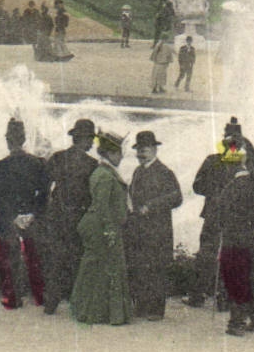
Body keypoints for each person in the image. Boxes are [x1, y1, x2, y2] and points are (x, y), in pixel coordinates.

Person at [187, 118, 252, 310]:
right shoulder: (218, 161)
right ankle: (206, 295)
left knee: (221, 254)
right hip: (221, 215)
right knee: (212, 254)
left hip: (226, 217)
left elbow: (251, 191)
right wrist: (215, 191)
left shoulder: (236, 164)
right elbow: (197, 185)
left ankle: (213, 296)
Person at [70, 132, 130, 325]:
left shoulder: (104, 171)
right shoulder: (104, 175)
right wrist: (109, 230)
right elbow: (101, 205)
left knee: (95, 267)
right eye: (119, 153)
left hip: (97, 224)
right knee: (103, 267)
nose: (121, 157)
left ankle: (89, 310)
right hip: (100, 226)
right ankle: (95, 312)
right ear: (110, 154)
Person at [41, 118, 99, 315]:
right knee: (77, 260)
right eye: (91, 139)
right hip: (79, 217)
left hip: (57, 215)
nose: (92, 143)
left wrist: (50, 208)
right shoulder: (92, 164)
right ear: (83, 139)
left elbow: (44, 187)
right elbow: (93, 195)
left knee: (55, 259)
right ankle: (76, 303)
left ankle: (51, 303)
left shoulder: (57, 158)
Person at [0, 118, 48, 310]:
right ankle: (40, 296)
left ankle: (12, 298)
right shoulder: (37, 163)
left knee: (9, 261)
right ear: (24, 139)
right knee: (35, 258)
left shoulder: (1, 166)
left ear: (7, 140)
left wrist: (14, 215)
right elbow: (44, 192)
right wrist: (32, 213)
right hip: (31, 217)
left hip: (9, 217)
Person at [124, 130, 181, 321]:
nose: (141, 153)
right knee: (141, 266)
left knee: (157, 267)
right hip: (139, 227)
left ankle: (157, 310)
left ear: (155, 149)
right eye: (139, 150)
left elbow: (176, 197)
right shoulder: (138, 171)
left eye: (145, 149)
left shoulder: (165, 172)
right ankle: (141, 305)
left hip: (158, 229)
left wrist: (152, 206)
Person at [215, 144, 254, 336]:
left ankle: (236, 322)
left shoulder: (228, 189)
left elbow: (221, 217)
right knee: (253, 279)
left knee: (236, 280)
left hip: (233, 240)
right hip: (251, 241)